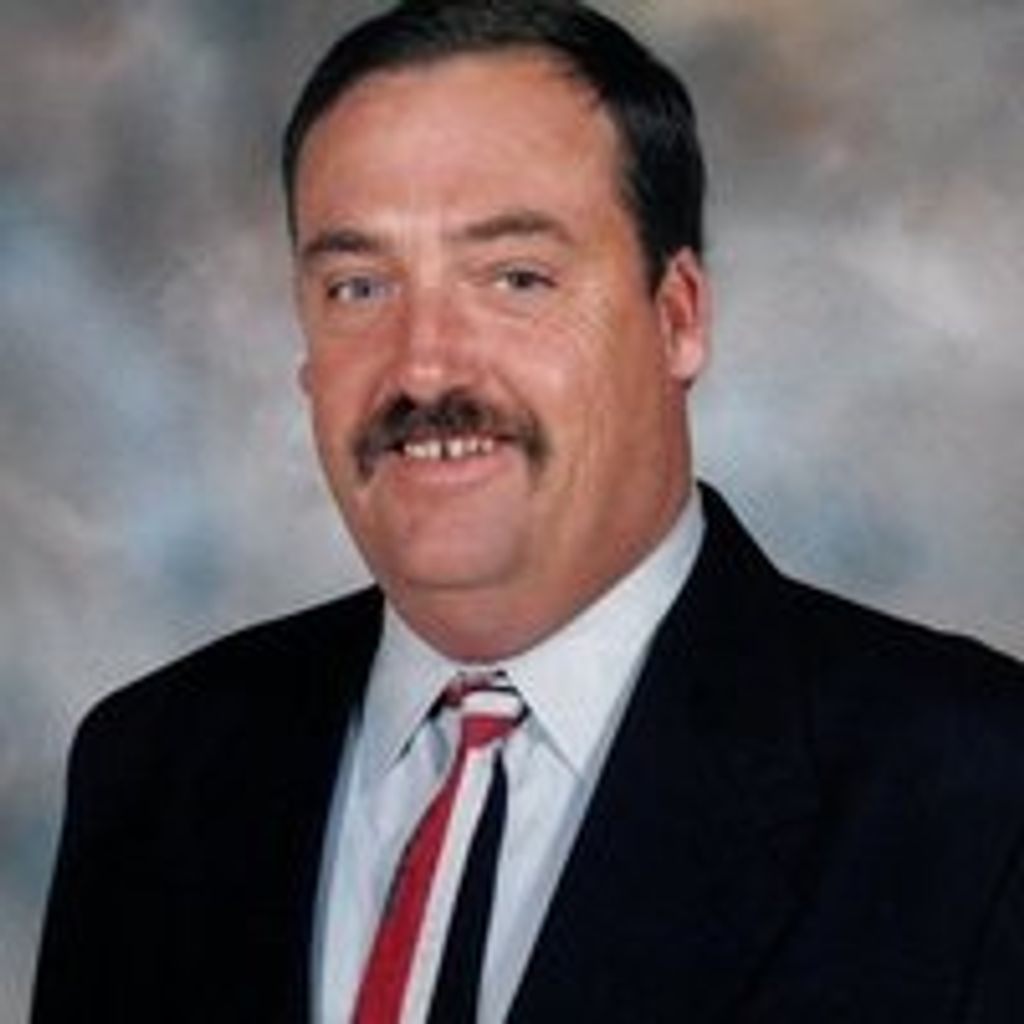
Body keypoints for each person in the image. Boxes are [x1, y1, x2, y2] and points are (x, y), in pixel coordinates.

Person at [31, 2, 1024, 1021]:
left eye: (515, 278)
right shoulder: (154, 768)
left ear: (677, 317)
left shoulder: (977, 790)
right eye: (359, 287)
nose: (424, 367)